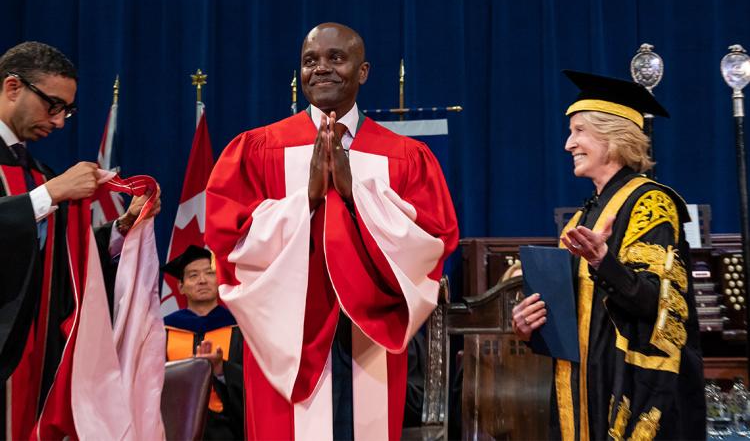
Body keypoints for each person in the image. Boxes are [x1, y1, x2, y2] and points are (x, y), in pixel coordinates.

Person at [205, 22, 458, 440]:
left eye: (335, 58)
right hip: (284, 338)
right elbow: (228, 239)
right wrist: (304, 197)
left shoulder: (407, 157)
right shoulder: (255, 149)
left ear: (362, 71)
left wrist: (354, 194)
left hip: (371, 337)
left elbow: (432, 241)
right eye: (310, 61)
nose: (321, 68)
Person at [512, 70, 705, 440]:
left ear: (614, 137)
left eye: (579, 130)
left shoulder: (651, 203)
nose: (569, 144)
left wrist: (605, 263)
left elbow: (659, 305)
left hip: (629, 389)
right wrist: (528, 322)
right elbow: (573, 311)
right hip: (585, 388)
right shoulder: (585, 216)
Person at [0, 41, 159, 439]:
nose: (59, 123)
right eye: (53, 105)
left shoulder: (37, 170)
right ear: (12, 87)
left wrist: (121, 229)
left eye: (66, 111)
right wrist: (51, 195)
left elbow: (57, 260)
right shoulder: (46, 184)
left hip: (31, 359)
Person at [162, 245, 244, 440]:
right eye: (193, 275)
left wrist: (221, 370)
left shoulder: (239, 329)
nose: (202, 280)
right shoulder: (163, 331)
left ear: (219, 280)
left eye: (210, 273)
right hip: (176, 429)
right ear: (180, 287)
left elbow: (251, 383)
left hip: (228, 430)